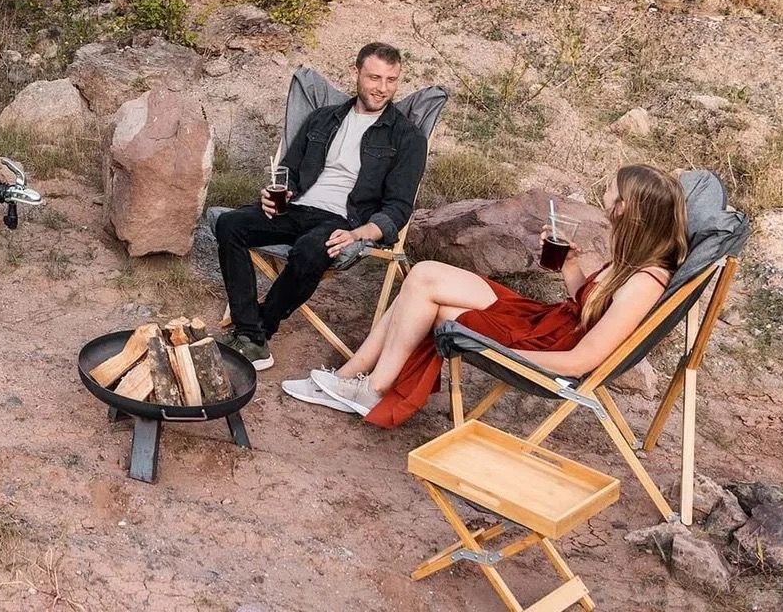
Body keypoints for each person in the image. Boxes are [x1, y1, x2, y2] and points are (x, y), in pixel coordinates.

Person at [285, 163, 686, 425]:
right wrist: (570, 266)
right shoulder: (635, 259)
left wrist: (501, 353)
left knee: (432, 304)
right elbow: (590, 305)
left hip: (543, 344)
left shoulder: (644, 282)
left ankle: (367, 387)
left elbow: (583, 360)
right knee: (423, 275)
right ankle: (354, 379)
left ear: (626, 209)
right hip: (544, 320)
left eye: (611, 193)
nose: (604, 196)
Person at [214, 42, 427, 371]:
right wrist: (276, 193)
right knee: (229, 224)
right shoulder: (322, 119)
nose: (383, 88)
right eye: (374, 78)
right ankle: (249, 333)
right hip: (297, 208)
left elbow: (398, 208)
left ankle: (256, 331)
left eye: (391, 80)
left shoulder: (407, 138)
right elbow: (289, 171)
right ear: (356, 73)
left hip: (343, 220)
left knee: (310, 250)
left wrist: (358, 234)